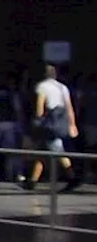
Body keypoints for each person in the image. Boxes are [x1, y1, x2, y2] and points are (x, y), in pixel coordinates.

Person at [25, 64, 80, 192]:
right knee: (43, 150)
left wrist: (37, 122)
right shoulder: (62, 87)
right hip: (61, 122)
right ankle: (33, 180)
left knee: (56, 149)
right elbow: (69, 107)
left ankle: (72, 177)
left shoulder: (42, 86)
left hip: (49, 124)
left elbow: (40, 107)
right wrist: (72, 124)